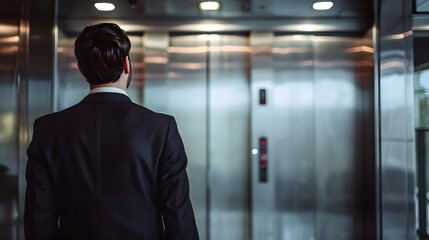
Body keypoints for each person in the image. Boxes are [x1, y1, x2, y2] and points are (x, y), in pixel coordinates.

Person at [24, 22, 199, 240]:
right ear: (127, 64)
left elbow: (38, 220)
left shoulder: (47, 130)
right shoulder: (161, 129)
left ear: (81, 69)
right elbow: (178, 217)